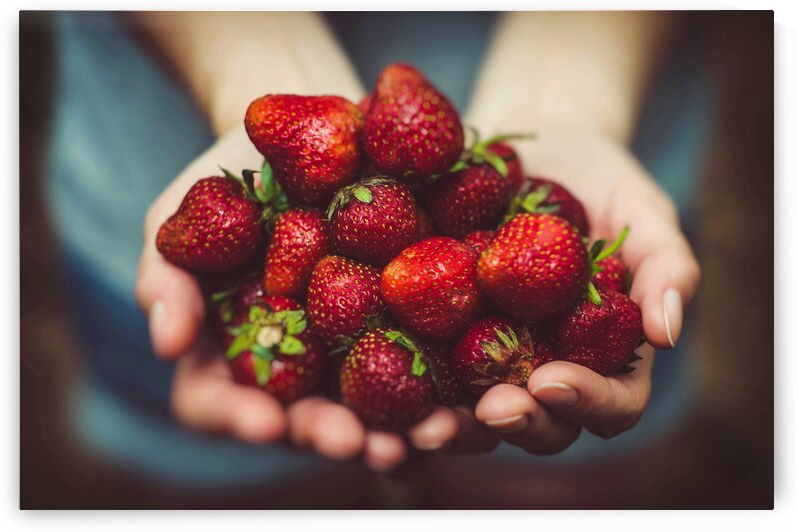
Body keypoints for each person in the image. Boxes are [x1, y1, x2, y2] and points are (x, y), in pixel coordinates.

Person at [47, 11, 701, 486]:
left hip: (613, 84)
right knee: (218, 484)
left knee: (554, 485)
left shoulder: (480, 244)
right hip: (150, 143)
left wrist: (567, 104)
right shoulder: (343, 238)